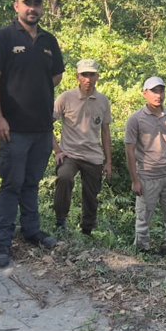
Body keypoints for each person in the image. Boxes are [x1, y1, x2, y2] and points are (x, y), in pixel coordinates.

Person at [0, 0, 64, 267]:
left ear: (42, 7)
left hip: (41, 128)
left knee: (31, 182)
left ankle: (31, 230)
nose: (32, 8)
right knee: (11, 184)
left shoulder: (48, 40)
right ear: (16, 6)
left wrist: (34, 89)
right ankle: (3, 243)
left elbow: (56, 75)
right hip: (14, 128)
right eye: (27, 3)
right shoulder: (3, 37)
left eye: (37, 4)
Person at [125, 76, 166, 260]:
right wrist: (135, 180)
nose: (158, 95)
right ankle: (141, 251)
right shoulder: (135, 119)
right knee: (143, 217)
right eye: (154, 91)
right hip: (147, 175)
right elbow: (129, 150)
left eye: (161, 91)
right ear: (145, 93)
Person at [52, 58, 113, 236]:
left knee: (91, 194)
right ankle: (60, 222)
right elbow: (46, 124)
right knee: (64, 178)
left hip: (93, 155)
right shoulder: (65, 98)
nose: (88, 79)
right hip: (70, 153)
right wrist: (57, 150)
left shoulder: (103, 101)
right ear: (77, 76)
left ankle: (87, 230)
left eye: (91, 75)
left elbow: (105, 131)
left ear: (97, 76)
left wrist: (108, 161)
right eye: (84, 75)